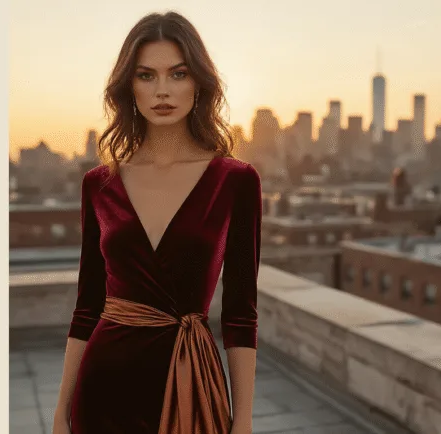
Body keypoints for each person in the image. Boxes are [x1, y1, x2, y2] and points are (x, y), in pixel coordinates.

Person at [53, 11, 261, 434]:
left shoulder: (236, 181)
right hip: (102, 389)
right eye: (146, 75)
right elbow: (87, 307)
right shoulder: (99, 184)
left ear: (198, 82)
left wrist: (243, 421)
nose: (162, 90)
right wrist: (61, 413)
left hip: (192, 387)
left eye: (178, 74)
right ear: (128, 85)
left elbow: (241, 314)